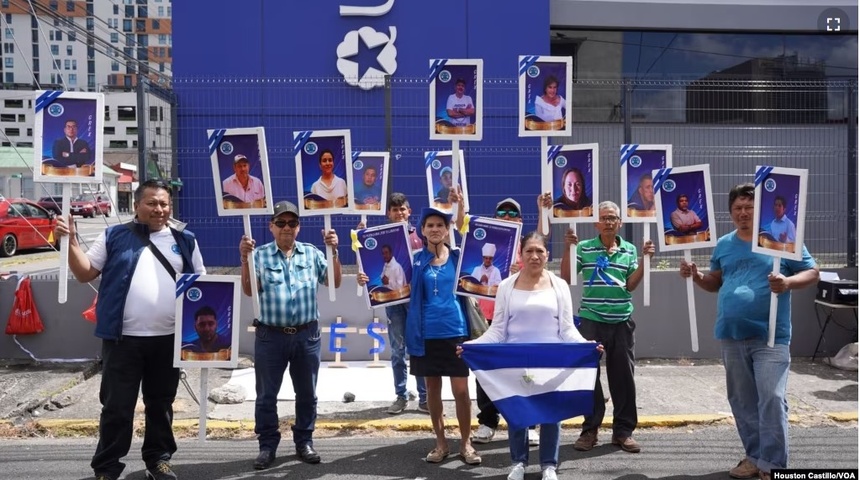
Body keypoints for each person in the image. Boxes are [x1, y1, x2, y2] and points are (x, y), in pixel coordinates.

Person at [54, 179, 206, 480]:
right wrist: (70, 242)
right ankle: (107, 467)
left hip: (169, 340)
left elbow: (201, 285)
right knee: (117, 407)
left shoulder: (185, 240)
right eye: (151, 203)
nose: (158, 209)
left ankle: (158, 460)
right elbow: (85, 273)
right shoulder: (114, 236)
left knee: (161, 405)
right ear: (137, 205)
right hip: (122, 341)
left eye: (163, 203)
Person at [679, 183, 818, 480]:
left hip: (771, 336)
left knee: (771, 397)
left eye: (749, 207)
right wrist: (697, 276)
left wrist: (788, 282)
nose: (743, 213)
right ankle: (755, 457)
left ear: (759, 211)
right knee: (741, 401)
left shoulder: (780, 240)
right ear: (731, 213)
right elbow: (714, 282)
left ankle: (773, 465)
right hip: (731, 334)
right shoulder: (725, 244)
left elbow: (812, 271)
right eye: (738, 208)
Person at [463, 231, 602, 480]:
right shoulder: (506, 286)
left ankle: (549, 464)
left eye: (540, 251)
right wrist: (474, 344)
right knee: (518, 411)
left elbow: (567, 328)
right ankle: (518, 462)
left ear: (547, 255)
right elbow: (498, 329)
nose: (535, 256)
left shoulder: (559, 285)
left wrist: (585, 345)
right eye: (529, 251)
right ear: (521, 254)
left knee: (551, 414)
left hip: (551, 361)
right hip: (516, 361)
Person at [238, 200, 342, 470]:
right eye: (281, 223)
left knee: (307, 393)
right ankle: (267, 446)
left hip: (307, 336)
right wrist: (243, 260)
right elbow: (250, 290)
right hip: (270, 336)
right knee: (266, 395)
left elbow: (333, 281)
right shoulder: (258, 255)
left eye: (292, 223)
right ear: (271, 226)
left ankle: (304, 441)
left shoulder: (311, 253)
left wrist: (333, 252)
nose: (286, 227)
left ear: (299, 227)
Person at [561, 200, 655, 454]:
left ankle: (623, 431)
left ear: (620, 222)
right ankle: (590, 429)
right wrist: (568, 249)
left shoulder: (629, 250)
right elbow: (568, 277)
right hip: (591, 320)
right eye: (604, 217)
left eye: (613, 217)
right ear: (596, 223)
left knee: (623, 378)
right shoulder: (584, 247)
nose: (609, 221)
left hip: (622, 321)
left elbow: (630, 285)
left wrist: (646, 261)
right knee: (588, 376)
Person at [456, 195, 542, 447]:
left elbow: (540, 273)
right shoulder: (484, 242)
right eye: (502, 214)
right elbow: (464, 229)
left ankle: (528, 423)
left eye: (512, 214)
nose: (507, 218)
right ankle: (488, 421)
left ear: (520, 220)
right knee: (486, 373)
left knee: (524, 372)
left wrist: (523, 271)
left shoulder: (527, 248)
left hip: (520, 318)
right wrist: (460, 207)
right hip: (487, 318)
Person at [405, 205, 481, 465]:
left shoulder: (459, 257)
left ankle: (466, 443)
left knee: (461, 391)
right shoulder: (414, 260)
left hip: (456, 332)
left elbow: (481, 265)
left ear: (448, 230)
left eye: (440, 225)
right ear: (423, 231)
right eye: (430, 226)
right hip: (425, 334)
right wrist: (364, 277)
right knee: (432, 391)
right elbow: (392, 284)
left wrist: (460, 207)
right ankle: (440, 443)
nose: (435, 229)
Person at [356, 192, 428, 415]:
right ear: (388, 213)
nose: (399, 213)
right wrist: (363, 277)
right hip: (393, 302)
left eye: (402, 209)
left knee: (420, 348)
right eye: (395, 210)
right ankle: (401, 396)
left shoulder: (421, 236)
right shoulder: (379, 239)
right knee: (398, 350)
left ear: (409, 212)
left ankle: (425, 398)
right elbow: (373, 271)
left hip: (416, 300)